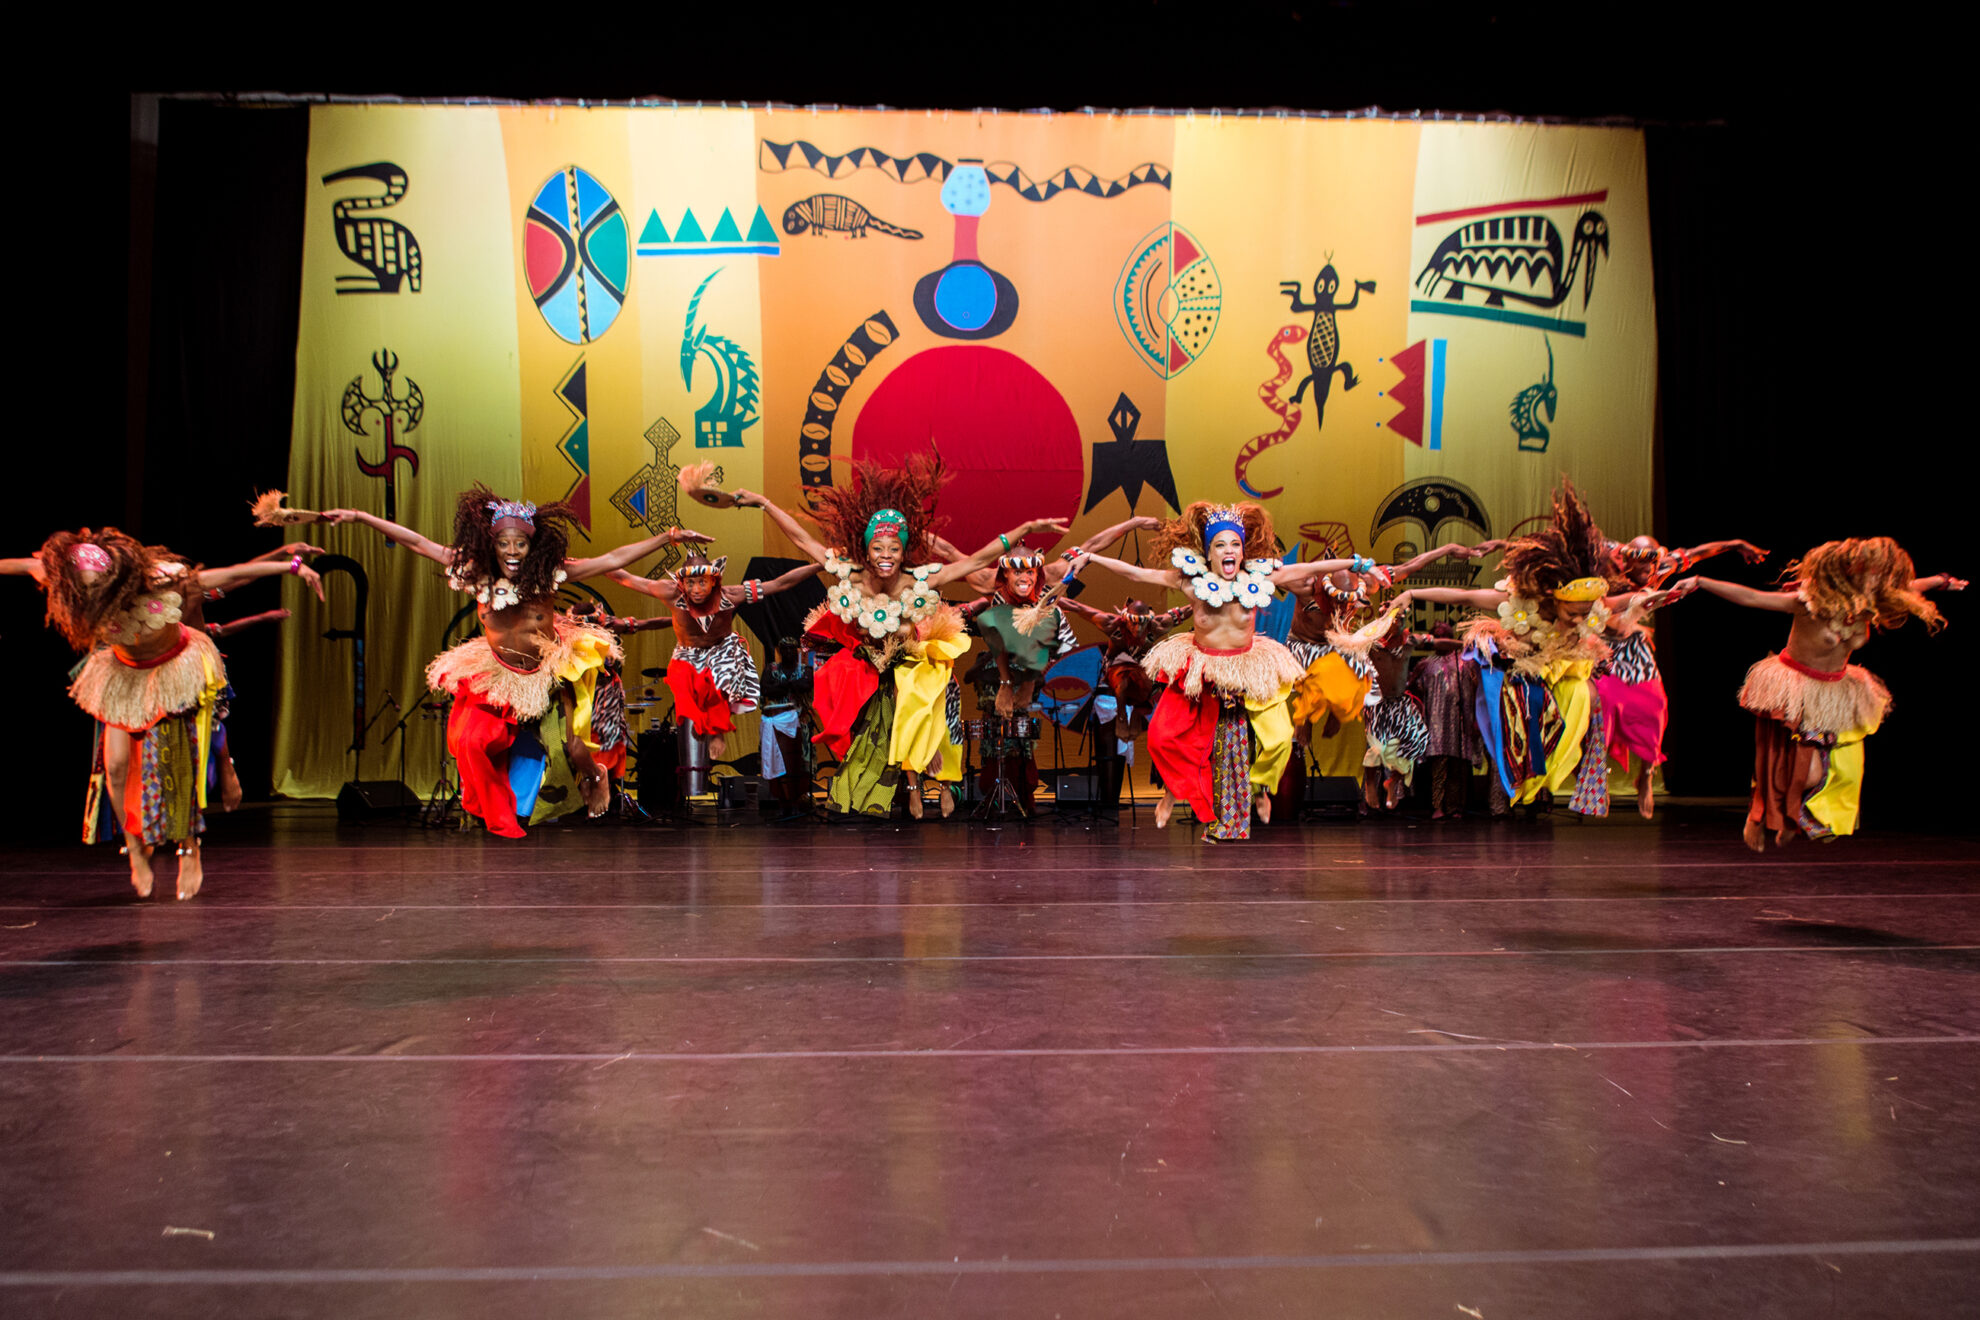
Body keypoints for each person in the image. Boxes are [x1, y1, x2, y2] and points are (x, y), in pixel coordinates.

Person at [321, 488, 707, 838]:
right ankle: (497, 809)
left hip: (547, 669)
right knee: (472, 741)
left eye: (520, 543)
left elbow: (612, 558)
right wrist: (360, 516)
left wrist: (667, 537)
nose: (512, 551)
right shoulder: (475, 572)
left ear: (531, 545)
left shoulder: (550, 573)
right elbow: (417, 542)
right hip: (499, 673)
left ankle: (597, 775)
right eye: (504, 543)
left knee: (574, 750)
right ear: (491, 544)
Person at [724, 457, 1070, 819]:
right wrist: (764, 503)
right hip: (869, 669)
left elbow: (975, 561)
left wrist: (1026, 527)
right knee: (861, 729)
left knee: (927, 697)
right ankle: (903, 785)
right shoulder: (852, 575)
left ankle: (939, 779)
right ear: (867, 550)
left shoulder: (919, 580)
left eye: (893, 549)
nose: (885, 556)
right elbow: (801, 539)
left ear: (904, 552)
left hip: (911, 664)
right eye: (878, 548)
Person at [4, 530, 324, 898]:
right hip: (124, 673)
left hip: (172, 668)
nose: (91, 597)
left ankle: (189, 848)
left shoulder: (160, 582)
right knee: (117, 767)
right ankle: (134, 848)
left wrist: (294, 566)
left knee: (176, 765)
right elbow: (18, 565)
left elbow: (234, 573)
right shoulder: (65, 578)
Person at [1069, 502, 1362, 841]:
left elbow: (1310, 567)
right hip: (1202, 667)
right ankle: (1175, 792)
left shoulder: (1259, 578)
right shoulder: (1191, 582)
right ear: (1208, 553)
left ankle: (1259, 786)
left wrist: (1354, 563)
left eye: (1235, 544)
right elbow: (1137, 574)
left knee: (1282, 736)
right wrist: (1091, 558)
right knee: (1161, 737)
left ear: (1243, 551)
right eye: (1220, 545)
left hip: (1247, 666)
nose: (1229, 551)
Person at [1674, 539, 1963, 850]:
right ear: (1847, 574)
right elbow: (1752, 598)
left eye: (1879, 574)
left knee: (1846, 770)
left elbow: (1906, 586)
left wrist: (1941, 581)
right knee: (1803, 772)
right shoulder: (1808, 602)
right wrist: (1700, 582)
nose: (1876, 580)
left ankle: (1803, 817)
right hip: (1795, 687)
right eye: (1870, 573)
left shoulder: (1870, 601)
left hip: (1837, 691)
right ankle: (1763, 815)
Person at [1399, 482, 1663, 818]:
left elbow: (1627, 599)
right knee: (1522, 713)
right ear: (1555, 600)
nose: (1579, 620)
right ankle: (1517, 779)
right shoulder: (1523, 603)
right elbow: (1463, 596)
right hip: (1521, 668)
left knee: (1586, 695)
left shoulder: (1589, 607)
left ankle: (1568, 777)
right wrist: (1412, 594)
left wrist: (1654, 597)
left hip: (1561, 667)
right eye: (1572, 614)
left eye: (1584, 615)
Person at [1594, 534, 1768, 817]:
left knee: (1655, 707)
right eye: (1642, 566)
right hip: (1600, 644)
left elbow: (1697, 552)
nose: (1649, 571)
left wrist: (1735, 544)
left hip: (1631, 643)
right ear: (1628, 561)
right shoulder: (1607, 561)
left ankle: (1646, 774)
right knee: (1605, 706)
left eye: (1653, 565)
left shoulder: (1659, 567)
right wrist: (1640, 598)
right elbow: (1600, 599)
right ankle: (1594, 774)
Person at [605, 546, 822, 761]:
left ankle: (718, 731)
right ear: (681, 583)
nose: (696, 589)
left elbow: (781, 583)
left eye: (702, 582)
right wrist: (592, 565)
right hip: (687, 653)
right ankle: (701, 725)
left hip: (722, 649)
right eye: (690, 583)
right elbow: (625, 578)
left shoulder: (732, 595)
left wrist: (820, 565)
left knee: (722, 676)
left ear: (714, 581)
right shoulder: (670, 592)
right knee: (680, 680)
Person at [1407, 622, 1481, 819]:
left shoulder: (1465, 662)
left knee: (1458, 766)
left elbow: (1476, 690)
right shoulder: (1426, 664)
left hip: (1460, 721)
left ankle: (1455, 806)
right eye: (1437, 636)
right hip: (1437, 722)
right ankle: (1437, 806)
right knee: (1438, 767)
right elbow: (1413, 688)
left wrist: (1475, 719)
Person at [758, 636, 814, 804]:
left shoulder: (805, 670)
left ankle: (802, 794)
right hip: (777, 721)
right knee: (778, 756)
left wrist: (781, 686)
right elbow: (766, 689)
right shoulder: (772, 669)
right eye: (785, 649)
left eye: (791, 649)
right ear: (780, 651)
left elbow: (806, 685)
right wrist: (790, 685)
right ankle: (780, 794)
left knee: (802, 757)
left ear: (796, 651)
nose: (788, 652)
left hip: (799, 721)